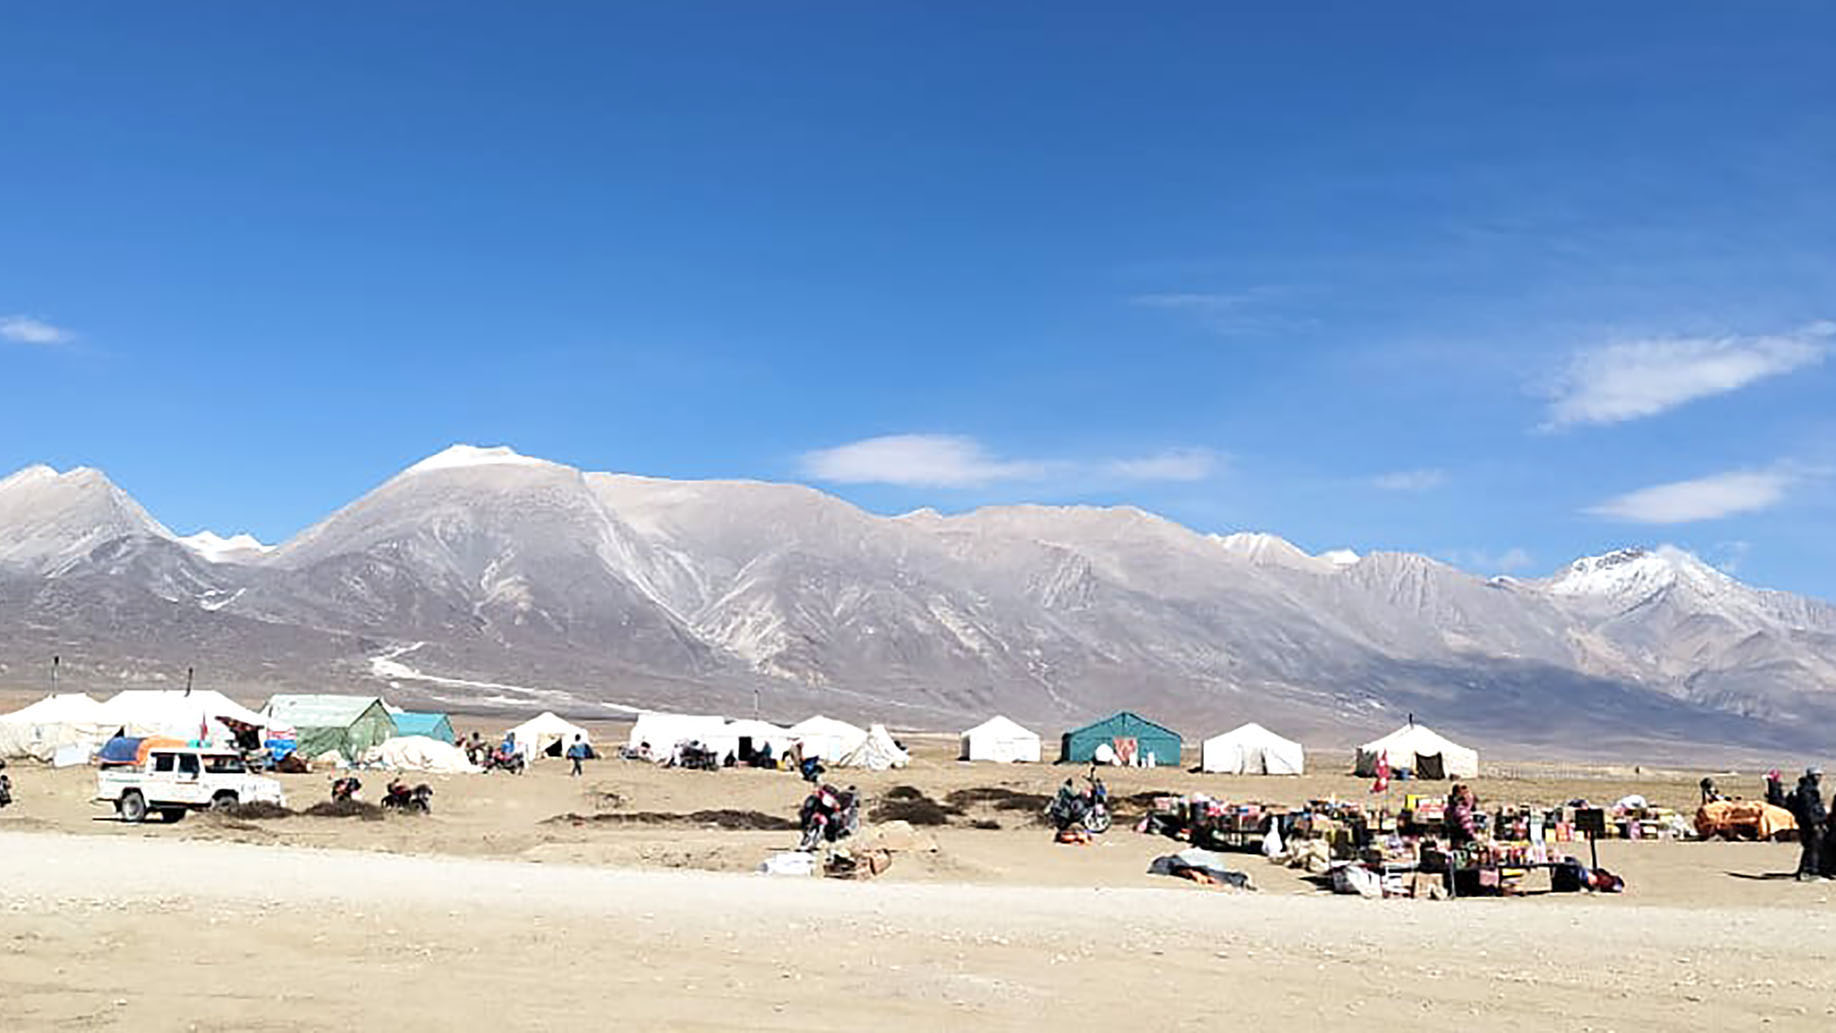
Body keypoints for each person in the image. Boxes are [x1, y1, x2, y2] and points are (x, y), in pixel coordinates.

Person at [1792, 767, 1826, 882]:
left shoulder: (1808, 789)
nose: (1820, 778)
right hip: (1809, 823)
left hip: (1809, 822)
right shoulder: (1807, 790)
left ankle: (1804, 871)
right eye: (1817, 775)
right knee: (1813, 848)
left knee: (1810, 848)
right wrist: (1814, 823)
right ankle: (1810, 872)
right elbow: (1808, 809)